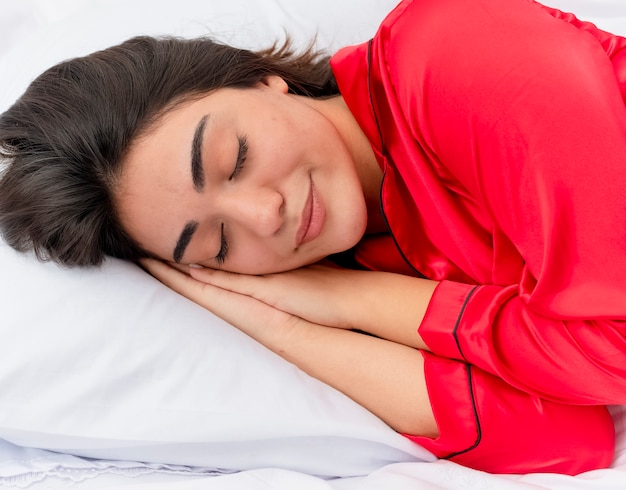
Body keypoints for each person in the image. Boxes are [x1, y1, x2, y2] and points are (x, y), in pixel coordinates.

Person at [0, 0, 624, 475]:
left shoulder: (454, 47)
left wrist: (356, 302)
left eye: (235, 156)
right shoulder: (356, 254)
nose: (263, 215)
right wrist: (287, 329)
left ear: (263, 78)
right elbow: (569, 437)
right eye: (217, 244)